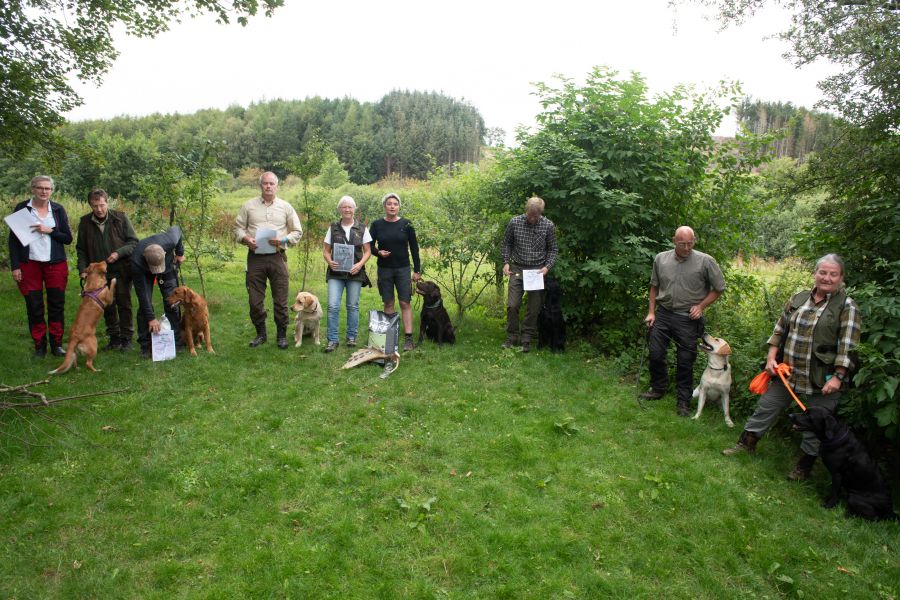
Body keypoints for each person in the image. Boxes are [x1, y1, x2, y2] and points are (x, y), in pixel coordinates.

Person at [723, 254, 861, 481]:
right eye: (822, 272)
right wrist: (771, 359)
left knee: (817, 423)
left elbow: (848, 347)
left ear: (841, 277)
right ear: (815, 274)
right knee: (766, 406)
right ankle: (745, 445)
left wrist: (837, 377)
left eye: (833, 274)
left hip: (822, 379)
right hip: (787, 372)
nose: (827, 278)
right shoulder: (799, 298)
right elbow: (779, 330)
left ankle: (803, 468)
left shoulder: (847, 307)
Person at [643, 226, 726, 416]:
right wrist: (651, 312)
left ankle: (683, 401)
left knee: (685, 360)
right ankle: (658, 388)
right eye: (682, 244)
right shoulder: (661, 259)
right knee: (655, 353)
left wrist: (701, 306)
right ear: (674, 241)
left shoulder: (706, 261)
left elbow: (719, 288)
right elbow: (654, 287)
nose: (687, 247)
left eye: (690, 243)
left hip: (688, 318)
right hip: (663, 314)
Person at [234, 172, 303, 350]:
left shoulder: (286, 207)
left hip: (277, 256)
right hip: (255, 258)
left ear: (277, 186)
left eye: (272, 183)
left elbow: (297, 231)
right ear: (260, 186)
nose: (268, 186)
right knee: (255, 301)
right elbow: (238, 228)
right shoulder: (248, 206)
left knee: (280, 299)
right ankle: (261, 334)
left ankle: (281, 335)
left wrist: (284, 240)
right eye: (265, 183)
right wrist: (246, 239)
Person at [8, 175, 73, 357]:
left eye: (48, 188)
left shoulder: (58, 209)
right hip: (29, 264)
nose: (44, 191)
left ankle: (57, 344)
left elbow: (67, 239)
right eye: (40, 188)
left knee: (56, 304)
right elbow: (13, 241)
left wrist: (49, 231)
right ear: (33, 189)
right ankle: (39, 346)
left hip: (55, 264)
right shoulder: (22, 208)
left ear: (52, 190)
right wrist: (15, 266)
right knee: (34, 305)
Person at [76, 188, 139, 351]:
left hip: (121, 269)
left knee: (124, 303)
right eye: (95, 205)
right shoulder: (84, 222)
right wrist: (83, 269)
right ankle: (114, 338)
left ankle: (127, 339)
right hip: (98, 274)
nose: (99, 209)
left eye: (102, 205)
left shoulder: (120, 218)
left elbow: (133, 242)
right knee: (106, 305)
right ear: (90, 204)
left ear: (107, 202)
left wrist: (118, 253)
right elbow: (81, 249)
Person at [500, 196, 558, 353]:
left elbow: (552, 249)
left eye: (535, 215)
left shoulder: (548, 226)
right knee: (512, 305)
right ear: (526, 211)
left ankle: (526, 339)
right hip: (517, 269)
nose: (532, 218)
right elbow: (507, 243)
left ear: (540, 213)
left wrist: (547, 267)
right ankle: (511, 337)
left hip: (537, 271)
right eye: (530, 214)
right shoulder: (515, 222)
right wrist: (506, 262)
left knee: (534, 308)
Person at [369, 192, 421, 352]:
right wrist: (378, 253)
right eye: (389, 204)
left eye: (395, 204)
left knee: (405, 302)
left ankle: (408, 338)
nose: (392, 206)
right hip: (384, 269)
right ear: (384, 206)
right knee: (388, 302)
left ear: (399, 207)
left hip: (403, 269)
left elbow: (414, 248)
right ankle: (389, 336)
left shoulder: (407, 224)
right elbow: (368, 246)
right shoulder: (377, 225)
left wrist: (417, 270)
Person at [322, 196, 372, 353]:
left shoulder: (362, 228)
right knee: (332, 306)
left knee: (352, 306)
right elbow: (325, 250)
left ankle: (351, 337)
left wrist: (360, 264)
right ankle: (332, 340)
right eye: (344, 207)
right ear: (340, 209)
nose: (347, 210)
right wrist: (330, 261)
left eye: (350, 207)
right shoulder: (333, 227)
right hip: (335, 273)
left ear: (354, 209)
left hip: (355, 273)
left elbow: (368, 251)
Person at [132, 226, 185, 359]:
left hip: (167, 267)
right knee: (145, 306)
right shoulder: (136, 262)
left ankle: (176, 341)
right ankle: (145, 346)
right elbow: (142, 296)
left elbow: (177, 229)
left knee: (172, 302)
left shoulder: (170, 240)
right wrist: (151, 318)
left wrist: (180, 253)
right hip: (144, 271)